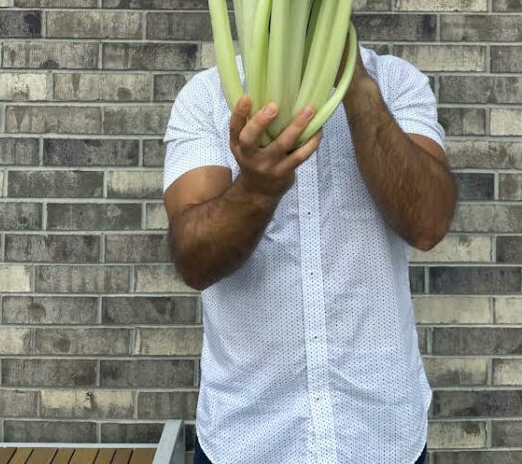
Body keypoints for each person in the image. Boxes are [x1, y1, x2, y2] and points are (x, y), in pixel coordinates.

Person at [163, 35, 457, 464]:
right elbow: (193, 260)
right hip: (249, 442)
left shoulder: (394, 83)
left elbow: (428, 224)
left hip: (381, 440)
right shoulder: (209, 97)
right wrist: (256, 190)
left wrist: (356, 85)